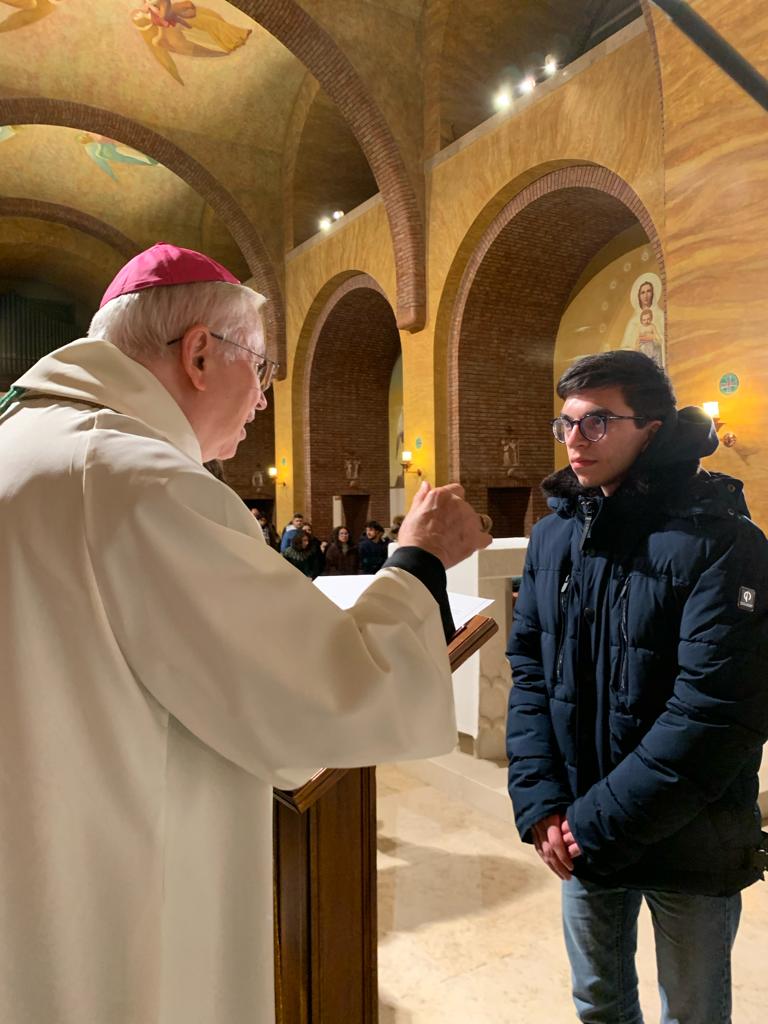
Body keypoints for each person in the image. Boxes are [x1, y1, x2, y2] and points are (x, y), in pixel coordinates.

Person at [0, 242, 492, 1024]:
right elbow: (322, 698)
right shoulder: (137, 480)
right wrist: (420, 558)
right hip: (118, 910)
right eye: (260, 369)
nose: (262, 400)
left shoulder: (26, 448)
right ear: (199, 353)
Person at [506, 350, 768, 1024]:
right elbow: (529, 670)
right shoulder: (553, 536)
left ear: (651, 427)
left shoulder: (723, 540)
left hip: (688, 835)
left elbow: (715, 712)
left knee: (694, 1011)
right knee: (598, 1003)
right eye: (566, 423)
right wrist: (540, 802)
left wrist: (590, 824)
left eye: (597, 421)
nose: (575, 439)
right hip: (577, 825)